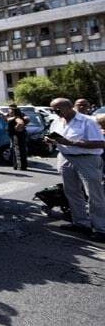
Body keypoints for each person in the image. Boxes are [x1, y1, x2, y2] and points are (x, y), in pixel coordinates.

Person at [45, 98, 105, 242]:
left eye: (57, 109)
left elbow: (100, 143)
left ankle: (101, 229)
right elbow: (55, 137)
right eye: (53, 109)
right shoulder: (56, 121)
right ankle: (81, 223)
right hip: (65, 158)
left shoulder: (88, 121)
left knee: (94, 194)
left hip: (87, 159)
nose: (55, 112)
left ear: (70, 107)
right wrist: (50, 140)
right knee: (72, 192)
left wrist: (71, 142)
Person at [6, 104, 30, 170]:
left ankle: (20, 166)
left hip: (17, 135)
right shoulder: (18, 114)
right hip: (18, 134)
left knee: (18, 150)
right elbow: (27, 119)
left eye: (10, 109)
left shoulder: (16, 116)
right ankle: (17, 166)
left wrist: (18, 127)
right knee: (19, 150)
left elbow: (20, 122)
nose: (9, 110)